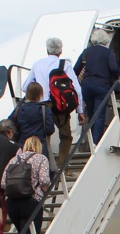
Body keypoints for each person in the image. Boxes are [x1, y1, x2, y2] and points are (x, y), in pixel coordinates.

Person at [23, 37, 83, 168]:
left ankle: (46, 167)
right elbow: (76, 89)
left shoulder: (37, 64)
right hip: (61, 105)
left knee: (44, 138)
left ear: (47, 50)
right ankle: (62, 166)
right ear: (61, 51)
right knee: (66, 136)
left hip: (42, 104)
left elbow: (25, 86)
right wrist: (80, 111)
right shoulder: (65, 64)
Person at [4, 136, 50, 234]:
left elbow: (3, 182)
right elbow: (44, 181)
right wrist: (45, 193)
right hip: (31, 202)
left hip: (12, 203)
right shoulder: (41, 158)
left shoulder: (13, 160)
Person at [76, 31, 120, 146]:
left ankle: (89, 139)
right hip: (102, 86)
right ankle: (96, 142)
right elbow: (114, 68)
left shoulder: (86, 52)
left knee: (91, 113)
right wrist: (117, 76)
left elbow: (76, 69)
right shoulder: (108, 53)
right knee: (100, 114)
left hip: (87, 86)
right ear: (105, 41)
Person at [12, 82, 51, 169]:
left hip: (22, 146)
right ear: (40, 94)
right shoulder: (44, 109)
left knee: (22, 173)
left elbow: (10, 124)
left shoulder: (19, 109)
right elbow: (50, 129)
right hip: (40, 146)